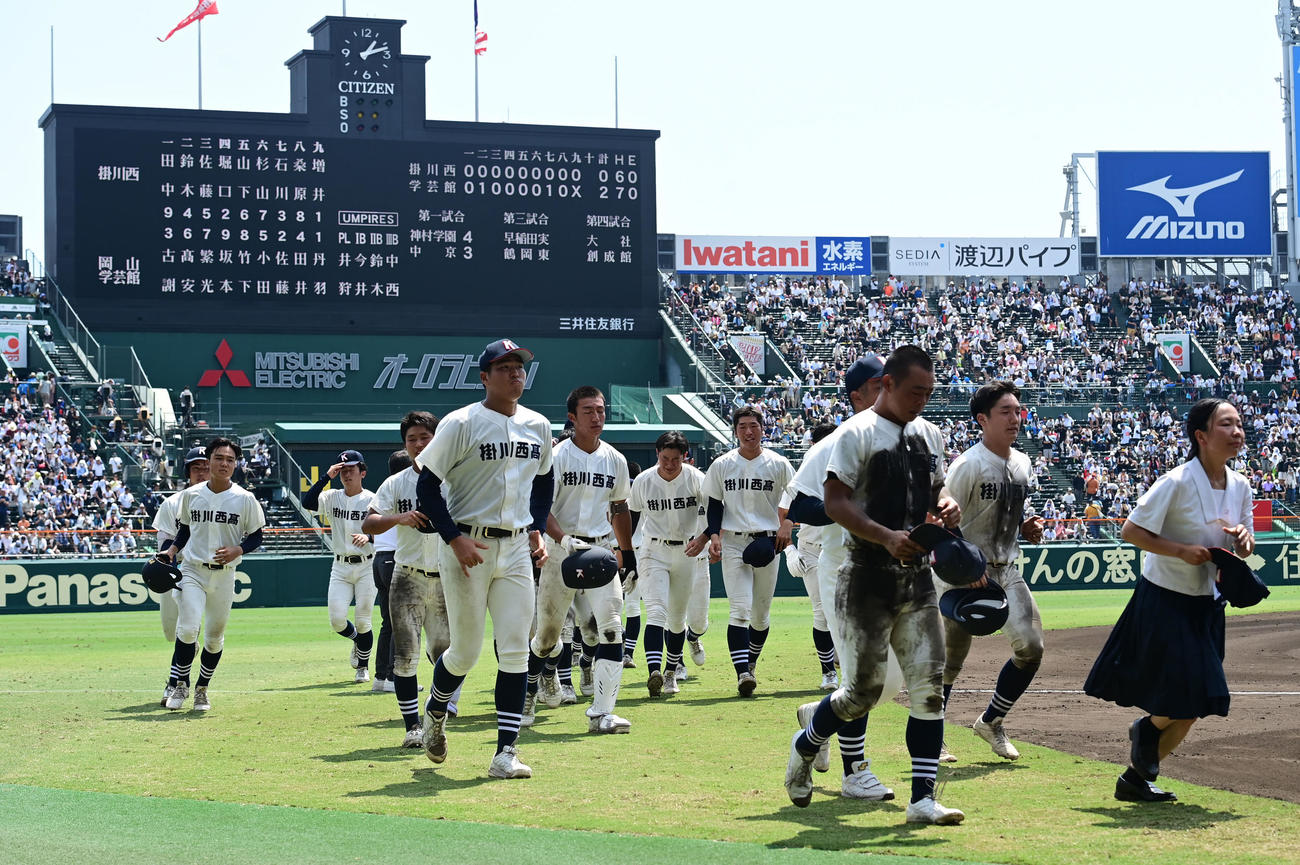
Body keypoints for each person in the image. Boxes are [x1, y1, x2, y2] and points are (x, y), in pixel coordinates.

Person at [783, 345, 967, 825]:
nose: (921, 401)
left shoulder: (929, 434)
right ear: (886, 384)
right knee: (861, 692)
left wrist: (946, 504)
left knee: (928, 689)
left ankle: (923, 800)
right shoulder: (855, 433)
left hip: (917, 576)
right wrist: (886, 536)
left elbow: (935, 488)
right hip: (862, 574)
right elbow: (835, 502)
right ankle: (806, 744)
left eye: (928, 392)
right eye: (913, 392)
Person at [1083, 398, 1254, 803]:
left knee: (1194, 705)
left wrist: (1245, 541)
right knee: (1199, 691)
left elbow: (1244, 545)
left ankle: (1133, 781)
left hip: (1208, 602)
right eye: (1227, 425)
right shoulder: (1175, 482)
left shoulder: (1242, 485)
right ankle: (1145, 730)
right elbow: (1131, 531)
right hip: (1165, 598)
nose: (1237, 432)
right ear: (1201, 436)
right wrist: (1180, 550)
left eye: (1240, 424)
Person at [415, 339, 553, 780]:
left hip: (514, 547)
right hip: (468, 546)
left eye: (520, 366)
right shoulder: (461, 423)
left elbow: (544, 482)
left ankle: (505, 753)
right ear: (484, 377)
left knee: (516, 651)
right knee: (466, 651)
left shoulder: (539, 425)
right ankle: (435, 713)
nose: (516, 373)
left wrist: (535, 528)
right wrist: (454, 539)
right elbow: (427, 488)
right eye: (505, 367)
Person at [782, 355, 896, 801]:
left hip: (886, 570)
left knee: (888, 681)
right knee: (862, 675)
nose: (888, 388)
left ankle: (821, 716)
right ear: (857, 396)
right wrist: (846, 507)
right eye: (877, 384)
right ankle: (855, 773)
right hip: (843, 569)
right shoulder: (833, 444)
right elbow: (800, 506)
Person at [936, 382, 1045, 763]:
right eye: (1006, 412)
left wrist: (1025, 528)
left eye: (1018, 410)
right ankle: (933, 737)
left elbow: (1004, 518)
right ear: (982, 419)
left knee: (1031, 647)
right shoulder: (967, 465)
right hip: (962, 574)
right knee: (950, 662)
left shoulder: (1022, 463)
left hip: (1007, 568)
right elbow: (942, 522)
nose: (1015, 418)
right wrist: (963, 569)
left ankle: (992, 721)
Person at [524, 385, 635, 732]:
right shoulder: (556, 456)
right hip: (561, 550)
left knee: (612, 627)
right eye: (588, 411)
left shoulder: (615, 459)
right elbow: (540, 507)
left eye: (601, 410)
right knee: (546, 637)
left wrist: (627, 552)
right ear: (572, 417)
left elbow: (619, 507)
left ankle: (602, 713)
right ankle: (531, 687)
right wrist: (561, 538)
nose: (597, 417)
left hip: (600, 549)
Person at [686, 406, 794, 697]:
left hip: (768, 542)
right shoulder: (722, 464)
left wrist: (789, 524)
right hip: (733, 541)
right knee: (740, 609)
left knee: (761, 616)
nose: (749, 431)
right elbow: (715, 504)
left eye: (754, 426)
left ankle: (751, 661)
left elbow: (797, 496)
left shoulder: (779, 463)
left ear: (763, 428)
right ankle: (742, 673)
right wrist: (714, 536)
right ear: (735, 431)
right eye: (743, 426)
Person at [156, 437, 266, 712]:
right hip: (193, 569)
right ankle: (181, 686)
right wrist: (171, 552)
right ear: (210, 460)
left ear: (236, 464)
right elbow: (184, 530)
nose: (224, 463)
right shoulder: (192, 496)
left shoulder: (245, 499)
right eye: (219, 458)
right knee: (188, 628)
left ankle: (202, 689)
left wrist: (238, 550)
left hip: (224, 574)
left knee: (214, 637)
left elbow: (257, 536)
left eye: (230, 459)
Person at [362, 413, 451, 748]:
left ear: (437, 438)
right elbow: (368, 523)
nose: (419, 444)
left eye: (425, 437)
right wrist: (401, 517)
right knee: (405, 655)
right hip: (407, 575)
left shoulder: (454, 478)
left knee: (446, 650)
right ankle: (413, 725)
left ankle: (438, 709)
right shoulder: (396, 483)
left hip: (446, 577)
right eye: (412, 438)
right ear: (405, 444)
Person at [627, 430, 706, 697]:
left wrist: (706, 539)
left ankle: (671, 672)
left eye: (675, 458)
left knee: (676, 618)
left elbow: (713, 510)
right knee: (656, 611)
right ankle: (654, 672)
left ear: (685, 456)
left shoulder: (696, 479)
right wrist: (625, 550)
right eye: (664, 458)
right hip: (653, 549)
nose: (670, 464)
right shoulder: (643, 480)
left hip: (686, 551)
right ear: (657, 454)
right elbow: (633, 514)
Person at [303, 449, 378, 684]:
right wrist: (326, 477)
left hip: (367, 564)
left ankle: (363, 667)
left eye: (351, 469)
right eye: (343, 470)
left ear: (362, 472)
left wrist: (370, 538)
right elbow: (307, 502)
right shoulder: (331, 496)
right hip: (341, 566)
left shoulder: (372, 499)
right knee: (337, 620)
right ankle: (357, 640)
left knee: (364, 619)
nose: (347, 474)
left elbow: (388, 530)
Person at [368, 450, 407, 694]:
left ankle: (381, 676)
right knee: (400, 623)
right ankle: (394, 676)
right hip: (394, 557)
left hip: (379, 559)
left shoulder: (385, 489)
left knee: (388, 623)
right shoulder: (403, 488)